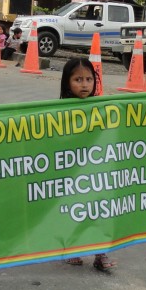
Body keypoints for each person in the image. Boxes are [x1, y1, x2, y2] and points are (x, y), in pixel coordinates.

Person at [57, 57, 116, 271]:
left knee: (100, 210)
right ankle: (72, 248)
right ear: (67, 82)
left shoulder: (100, 107)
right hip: (72, 172)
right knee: (75, 211)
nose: (84, 84)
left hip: (95, 170)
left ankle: (101, 253)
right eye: (78, 79)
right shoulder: (57, 110)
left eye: (89, 79)